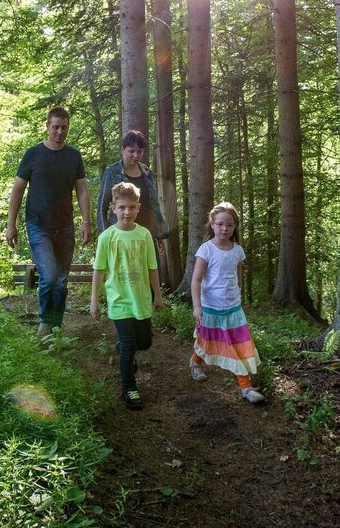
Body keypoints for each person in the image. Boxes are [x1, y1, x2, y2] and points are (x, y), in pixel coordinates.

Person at [6, 106, 91, 337]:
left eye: (64, 127)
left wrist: (86, 222)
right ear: (47, 126)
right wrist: (11, 224)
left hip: (65, 226)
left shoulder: (73, 156)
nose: (60, 132)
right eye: (56, 127)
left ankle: (56, 326)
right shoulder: (33, 154)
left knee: (61, 281)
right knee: (50, 276)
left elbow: (82, 190)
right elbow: (17, 189)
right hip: (38, 224)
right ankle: (45, 322)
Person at [89, 182, 163, 410]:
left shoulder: (144, 235)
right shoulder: (107, 237)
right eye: (122, 207)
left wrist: (158, 295)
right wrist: (94, 300)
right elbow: (99, 270)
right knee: (130, 344)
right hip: (119, 300)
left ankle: (123, 351)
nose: (127, 212)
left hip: (141, 299)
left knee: (145, 342)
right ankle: (129, 387)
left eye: (131, 207)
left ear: (138, 208)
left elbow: (152, 267)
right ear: (113, 208)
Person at [188, 202, 265, 404]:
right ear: (212, 223)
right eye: (220, 224)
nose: (225, 228)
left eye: (229, 225)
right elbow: (196, 280)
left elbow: (238, 277)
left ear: (235, 227)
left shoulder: (237, 250)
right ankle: (195, 362)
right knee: (207, 341)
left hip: (233, 310)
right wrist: (197, 307)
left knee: (240, 346)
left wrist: (238, 296)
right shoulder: (206, 250)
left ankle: (246, 387)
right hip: (210, 309)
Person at [96, 130, 169, 249]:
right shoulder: (112, 172)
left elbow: (153, 205)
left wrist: (159, 233)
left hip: (146, 234)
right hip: (121, 236)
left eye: (139, 151)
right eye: (131, 151)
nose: (136, 155)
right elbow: (101, 207)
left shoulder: (147, 173)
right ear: (123, 150)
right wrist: (105, 236)